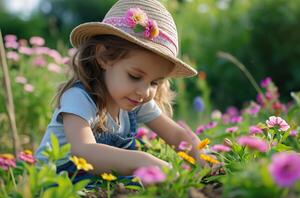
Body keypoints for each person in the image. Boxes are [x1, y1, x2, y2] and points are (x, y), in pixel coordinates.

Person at [35, 0, 207, 185]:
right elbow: (84, 151)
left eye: (155, 82)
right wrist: (142, 161)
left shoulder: (136, 99)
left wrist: (204, 160)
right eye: (134, 76)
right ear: (103, 57)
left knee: (143, 186)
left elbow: (177, 136)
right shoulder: (79, 98)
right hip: (59, 181)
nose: (144, 91)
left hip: (102, 181)